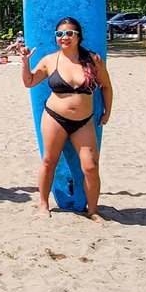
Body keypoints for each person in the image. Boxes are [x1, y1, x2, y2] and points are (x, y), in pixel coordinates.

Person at [16, 17, 113, 219]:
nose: (64, 37)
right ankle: (43, 204)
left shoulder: (93, 60)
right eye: (60, 34)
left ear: (78, 36)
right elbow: (29, 81)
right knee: (49, 161)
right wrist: (25, 63)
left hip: (84, 122)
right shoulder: (50, 60)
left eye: (69, 33)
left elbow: (106, 86)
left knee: (91, 167)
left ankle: (93, 211)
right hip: (54, 118)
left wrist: (107, 111)